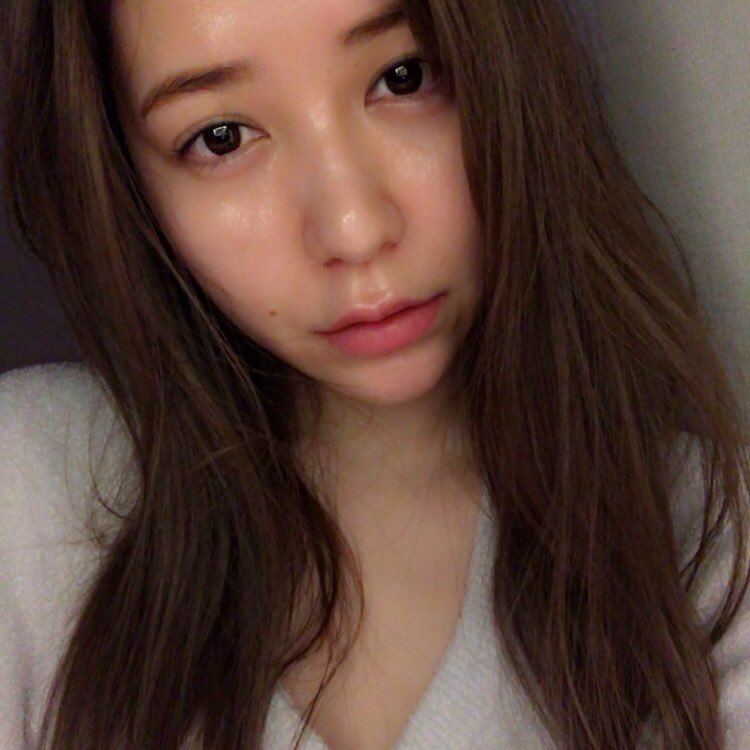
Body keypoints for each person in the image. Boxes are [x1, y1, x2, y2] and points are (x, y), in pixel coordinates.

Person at [1, 0, 749, 748]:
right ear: (128, 184)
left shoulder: (714, 546)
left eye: (404, 77)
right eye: (221, 137)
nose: (354, 228)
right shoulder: (30, 504)